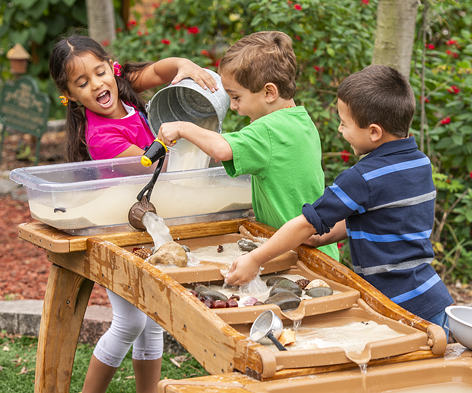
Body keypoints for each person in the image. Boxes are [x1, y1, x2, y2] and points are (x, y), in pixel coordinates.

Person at [224, 64, 453, 335]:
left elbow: (306, 223)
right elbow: (385, 218)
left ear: (374, 132)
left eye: (344, 123)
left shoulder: (362, 177)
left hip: (396, 305)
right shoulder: (420, 163)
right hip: (434, 298)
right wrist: (322, 237)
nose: (339, 130)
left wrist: (255, 259)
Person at [49, 34, 217, 393]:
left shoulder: (122, 88)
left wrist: (184, 67)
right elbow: (155, 165)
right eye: (83, 82)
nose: (96, 84)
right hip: (120, 230)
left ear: (112, 68)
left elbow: (161, 70)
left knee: (151, 321)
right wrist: (197, 136)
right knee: (129, 322)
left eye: (99, 72)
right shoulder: (101, 138)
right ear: (71, 95)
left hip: (149, 223)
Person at [157, 31, 339, 262]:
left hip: (301, 253)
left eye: (236, 97)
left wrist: (184, 128)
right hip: (317, 248)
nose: (233, 106)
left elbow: (222, 149)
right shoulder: (300, 120)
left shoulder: (268, 130)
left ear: (269, 92)